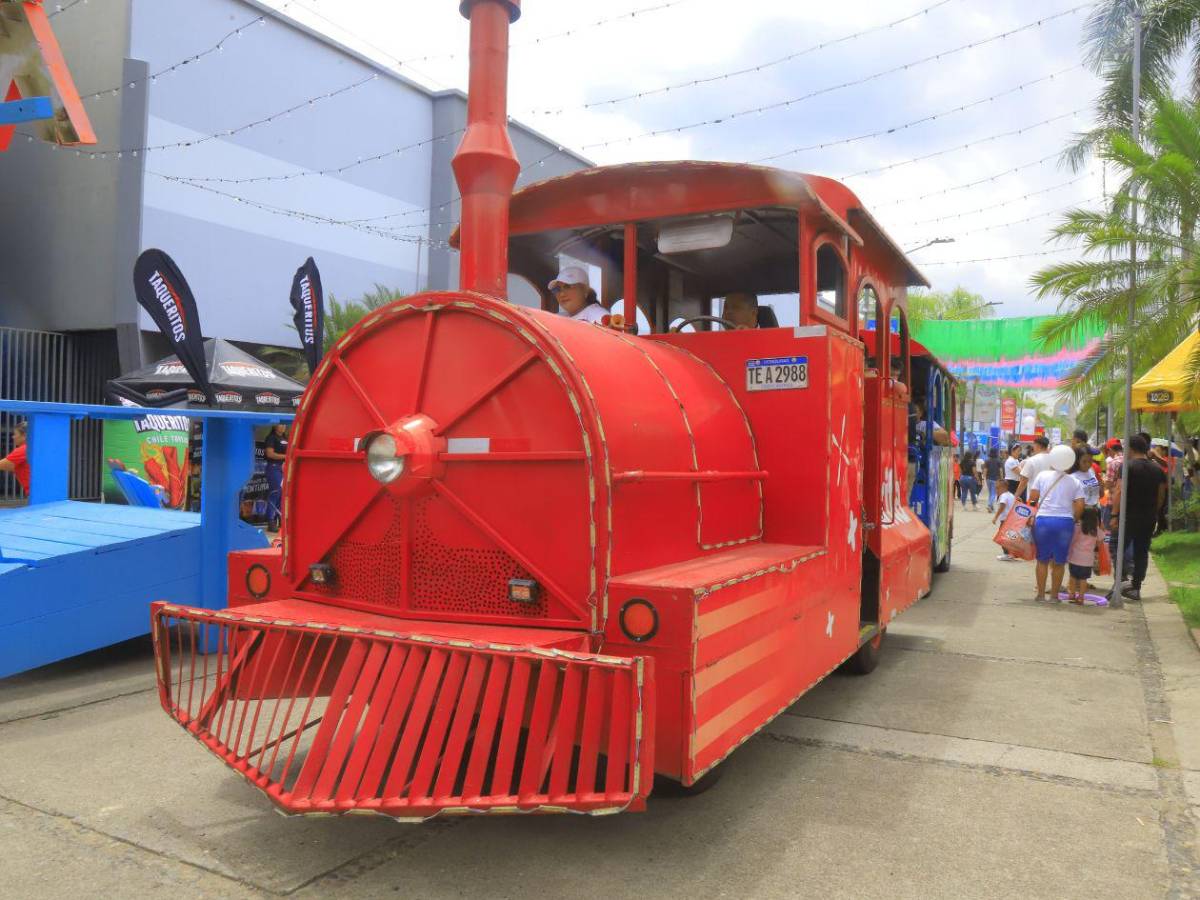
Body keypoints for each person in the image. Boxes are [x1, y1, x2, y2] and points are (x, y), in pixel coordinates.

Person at [1110, 434, 1167, 601]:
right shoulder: (1157, 469)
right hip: (1148, 517)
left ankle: (1120, 580)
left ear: (1132, 449)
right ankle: (1135, 587)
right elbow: (1161, 494)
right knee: (1141, 551)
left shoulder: (1127, 467)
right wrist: (1153, 511)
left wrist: (1114, 514)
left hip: (1127, 516)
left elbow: (1119, 491)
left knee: (1117, 546)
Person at [1028, 444, 1085, 603]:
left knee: (1042, 560)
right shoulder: (1075, 481)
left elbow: (1033, 498)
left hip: (1043, 521)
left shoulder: (1042, 476)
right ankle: (1054, 596)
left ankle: (1040, 595)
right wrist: (1074, 519)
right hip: (1064, 523)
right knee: (1059, 561)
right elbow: (1080, 505)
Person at [1066, 506, 1101, 605]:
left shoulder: (1078, 527)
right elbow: (1101, 539)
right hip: (1088, 560)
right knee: (1083, 579)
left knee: (1072, 577)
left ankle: (1071, 595)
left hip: (1075, 557)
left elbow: (1072, 540)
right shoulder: (1096, 530)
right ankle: (1081, 597)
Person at [263, 423, 288, 532]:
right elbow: (270, 454)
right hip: (274, 467)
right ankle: (271, 521)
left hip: (284, 468)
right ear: (274, 426)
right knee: (275, 492)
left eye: (284, 425)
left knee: (283, 494)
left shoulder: (285, 438)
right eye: (280, 425)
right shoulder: (271, 438)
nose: (283, 427)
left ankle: (281, 519)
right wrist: (286, 456)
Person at [1015, 435, 1051, 501]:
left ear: (1038, 445)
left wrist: (1016, 495)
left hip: (1033, 499)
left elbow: (1024, 481)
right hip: (1050, 499)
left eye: (1034, 445)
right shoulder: (1054, 460)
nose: (1033, 447)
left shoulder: (1032, 460)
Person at [0, 420, 29, 494]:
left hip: (36, 494)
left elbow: (3, 465)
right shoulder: (34, 448)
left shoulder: (24, 449)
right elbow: (11, 467)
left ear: (24, 436)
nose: (13, 437)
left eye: (15, 434)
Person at [993, 482, 1018, 561]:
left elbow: (1002, 506)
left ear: (1004, 487)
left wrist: (995, 517)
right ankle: (1011, 553)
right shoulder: (1011, 495)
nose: (996, 490)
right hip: (1011, 519)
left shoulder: (1003, 496)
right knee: (1009, 537)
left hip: (1005, 520)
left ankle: (1006, 554)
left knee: (1002, 537)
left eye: (997, 488)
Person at [983, 446, 1002, 512]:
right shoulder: (998, 461)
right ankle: (989, 505)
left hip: (988, 479)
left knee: (990, 493)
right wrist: (1001, 478)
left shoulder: (987, 460)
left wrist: (984, 478)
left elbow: (985, 470)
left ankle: (991, 507)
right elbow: (1000, 470)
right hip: (996, 479)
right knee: (994, 493)